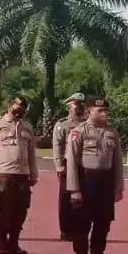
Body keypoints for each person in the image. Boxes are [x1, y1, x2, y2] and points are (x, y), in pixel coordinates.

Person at [66, 95, 125, 254]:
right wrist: (74, 189)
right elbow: (72, 162)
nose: (104, 114)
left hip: (105, 183)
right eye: (100, 111)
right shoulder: (79, 132)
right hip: (86, 182)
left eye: (105, 111)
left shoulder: (112, 133)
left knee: (103, 225)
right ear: (90, 111)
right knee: (82, 225)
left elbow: (117, 162)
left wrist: (118, 187)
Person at [0, 96, 38, 254]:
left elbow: (31, 153)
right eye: (17, 106)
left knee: (21, 210)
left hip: (23, 174)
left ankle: (14, 243)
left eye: (22, 108)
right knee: (5, 210)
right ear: (9, 106)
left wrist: (34, 173)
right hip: (5, 174)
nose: (19, 110)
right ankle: (3, 244)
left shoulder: (27, 127)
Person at [51, 94, 85, 241]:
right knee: (66, 197)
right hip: (67, 163)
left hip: (84, 164)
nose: (79, 106)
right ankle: (65, 230)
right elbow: (57, 145)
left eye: (82, 104)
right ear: (69, 106)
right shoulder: (62, 124)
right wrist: (58, 165)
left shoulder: (88, 123)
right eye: (76, 103)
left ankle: (80, 228)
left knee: (84, 197)